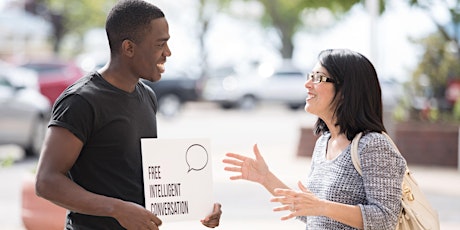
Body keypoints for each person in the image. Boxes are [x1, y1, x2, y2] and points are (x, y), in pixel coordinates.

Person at [35, 1, 222, 229]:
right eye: (160, 44)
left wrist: (198, 206)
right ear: (129, 48)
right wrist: (117, 209)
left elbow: (141, 176)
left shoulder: (147, 96)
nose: (168, 53)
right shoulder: (81, 101)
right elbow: (47, 181)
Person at [223, 49, 406, 229]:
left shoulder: (373, 145)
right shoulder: (323, 143)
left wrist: (323, 206)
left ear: (345, 91)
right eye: (309, 76)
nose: (307, 84)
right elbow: (311, 212)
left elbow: (385, 219)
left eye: (318, 78)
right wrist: (265, 178)